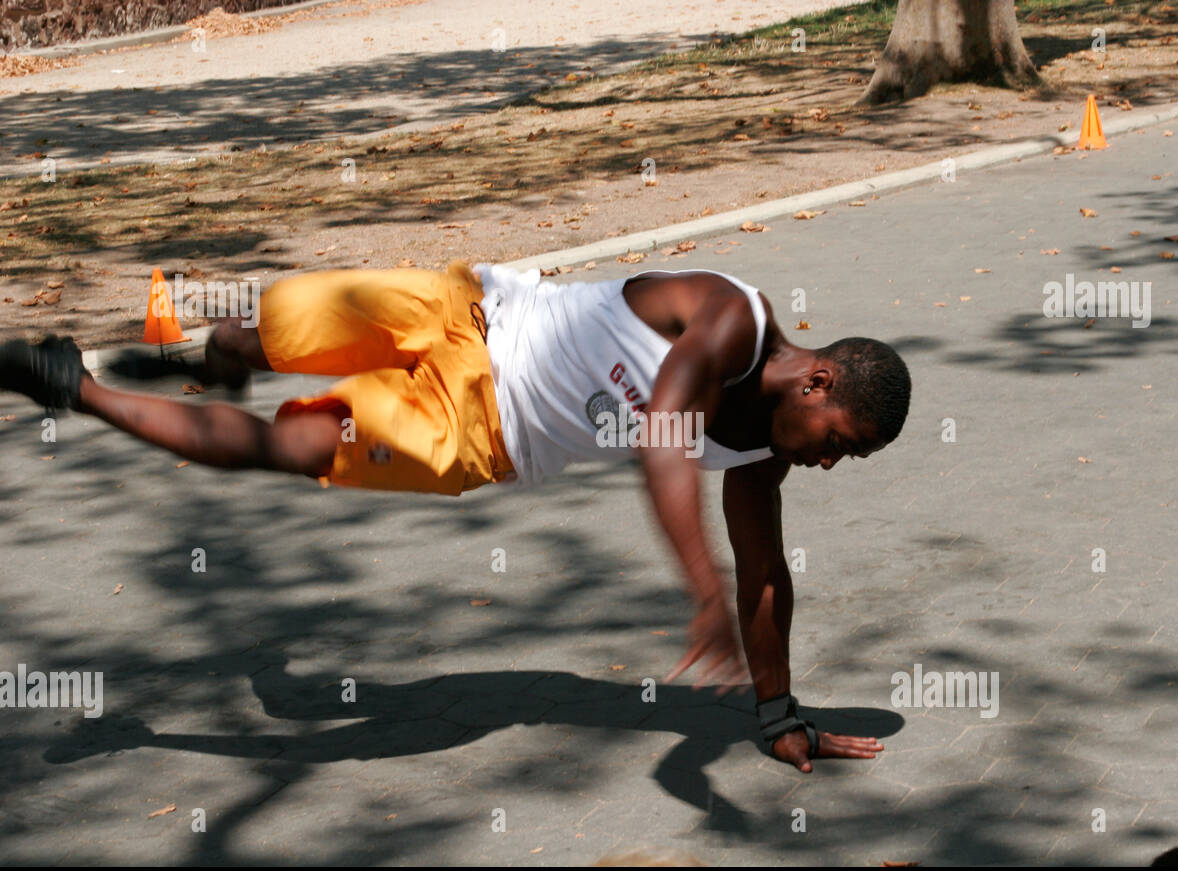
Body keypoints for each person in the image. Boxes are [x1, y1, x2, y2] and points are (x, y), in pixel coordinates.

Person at [0, 259, 911, 772]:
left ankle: (72, 385)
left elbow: (765, 578)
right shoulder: (732, 319)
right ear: (820, 379)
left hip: (473, 428)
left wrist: (777, 711)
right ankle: (227, 354)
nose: (830, 461)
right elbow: (665, 430)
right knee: (269, 331)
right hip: (468, 307)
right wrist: (696, 581)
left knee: (284, 448)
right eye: (842, 439)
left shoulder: (759, 457)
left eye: (846, 458)